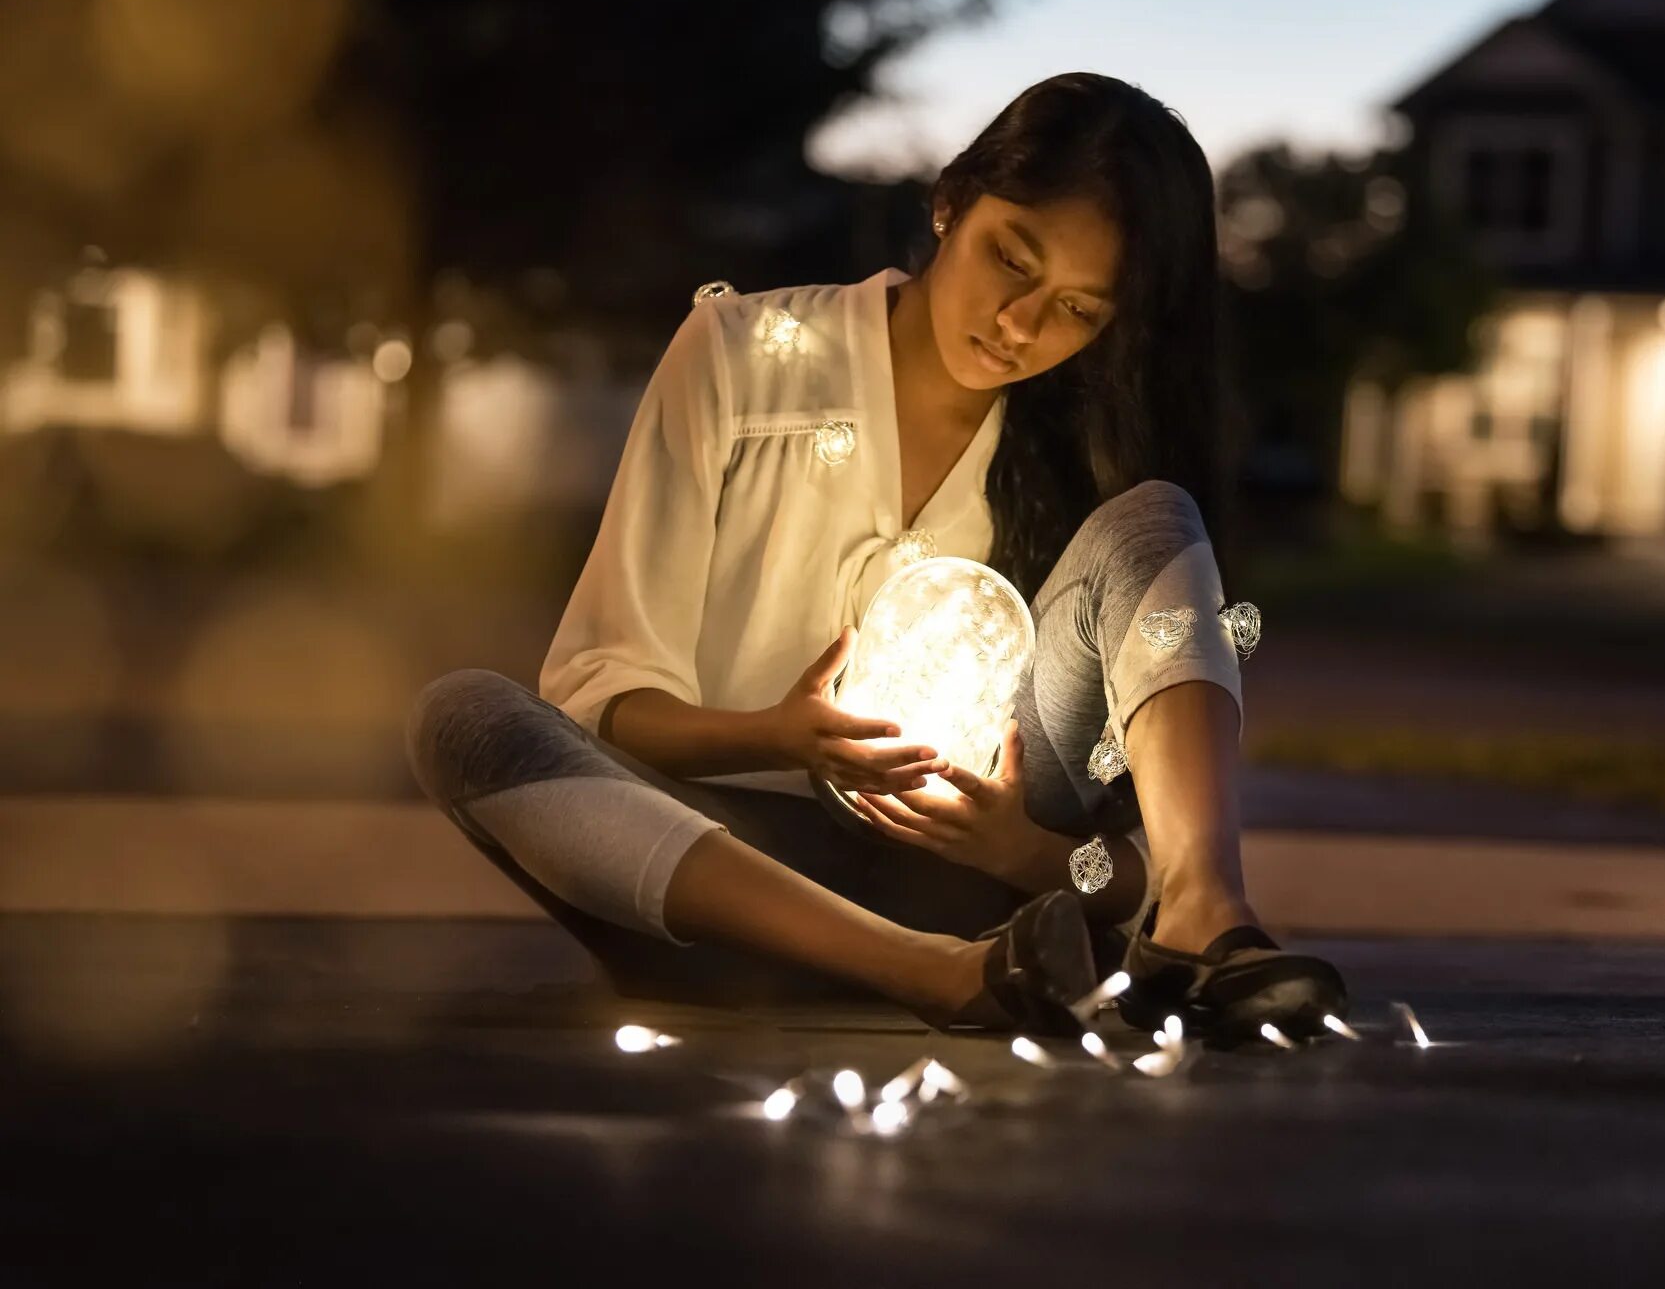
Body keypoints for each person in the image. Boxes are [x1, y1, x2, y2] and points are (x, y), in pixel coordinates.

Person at [406, 72, 1345, 1042]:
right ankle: (925, 972)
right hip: (706, 884)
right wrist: (776, 735)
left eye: (1076, 310)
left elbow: (1113, 874)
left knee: (1157, 518)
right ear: (948, 201)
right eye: (1011, 259)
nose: (1020, 324)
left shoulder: (1077, 449)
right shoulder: (740, 352)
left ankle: (1206, 921)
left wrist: (1028, 851)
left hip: (989, 907)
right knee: (466, 717)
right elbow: (600, 697)